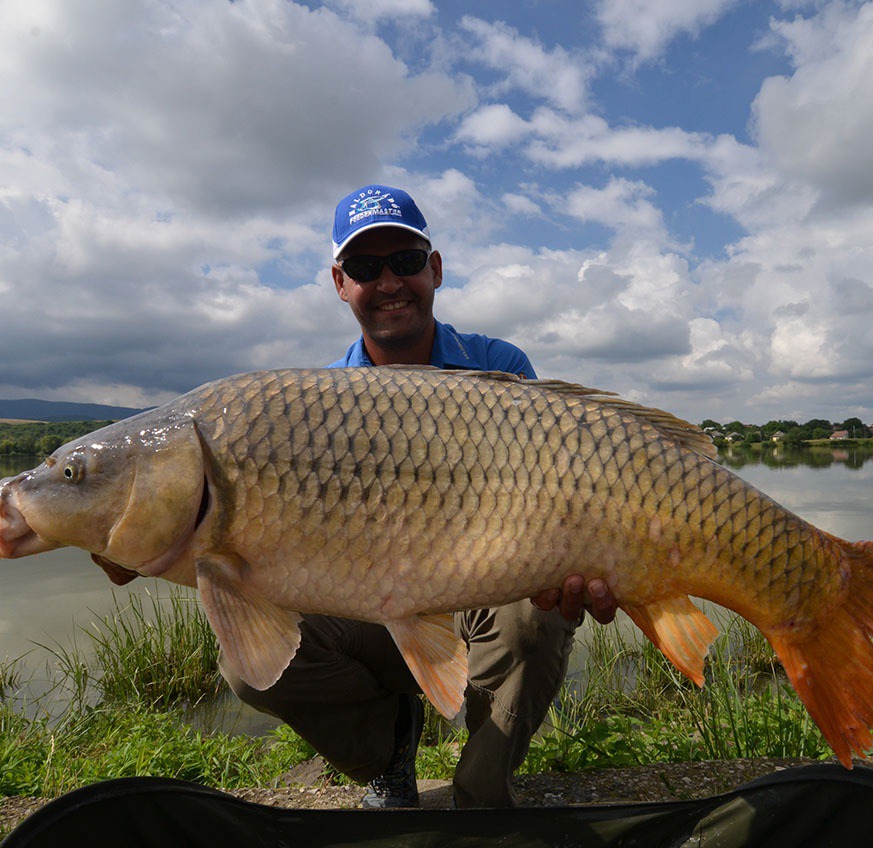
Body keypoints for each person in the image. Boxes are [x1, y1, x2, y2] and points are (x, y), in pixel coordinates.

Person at [221, 184, 617, 809]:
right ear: (339, 282)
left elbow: (550, 496)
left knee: (538, 617)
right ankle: (387, 751)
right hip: (374, 603)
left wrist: (572, 554)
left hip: (486, 584)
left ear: (434, 269)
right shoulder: (317, 404)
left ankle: (481, 793)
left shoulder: (502, 367)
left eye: (405, 262)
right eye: (365, 267)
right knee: (246, 661)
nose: (389, 283)